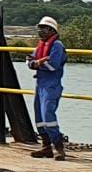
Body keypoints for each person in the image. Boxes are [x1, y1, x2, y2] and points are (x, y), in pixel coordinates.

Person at [26, 16, 68, 160]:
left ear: (51, 30)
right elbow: (30, 62)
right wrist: (38, 62)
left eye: (43, 29)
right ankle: (45, 146)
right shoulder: (40, 46)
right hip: (40, 85)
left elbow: (53, 65)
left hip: (51, 86)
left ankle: (59, 147)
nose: (40, 31)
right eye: (40, 28)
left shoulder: (57, 46)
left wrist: (38, 63)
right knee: (39, 117)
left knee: (48, 115)